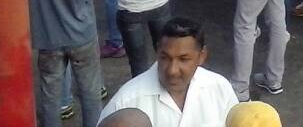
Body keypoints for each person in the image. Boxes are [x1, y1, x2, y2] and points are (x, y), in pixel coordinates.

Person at [99, 17, 238, 126]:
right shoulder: (126, 103)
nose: (172, 70)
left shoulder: (220, 89)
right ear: (157, 51)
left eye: (183, 59)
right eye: (165, 58)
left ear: (201, 56)